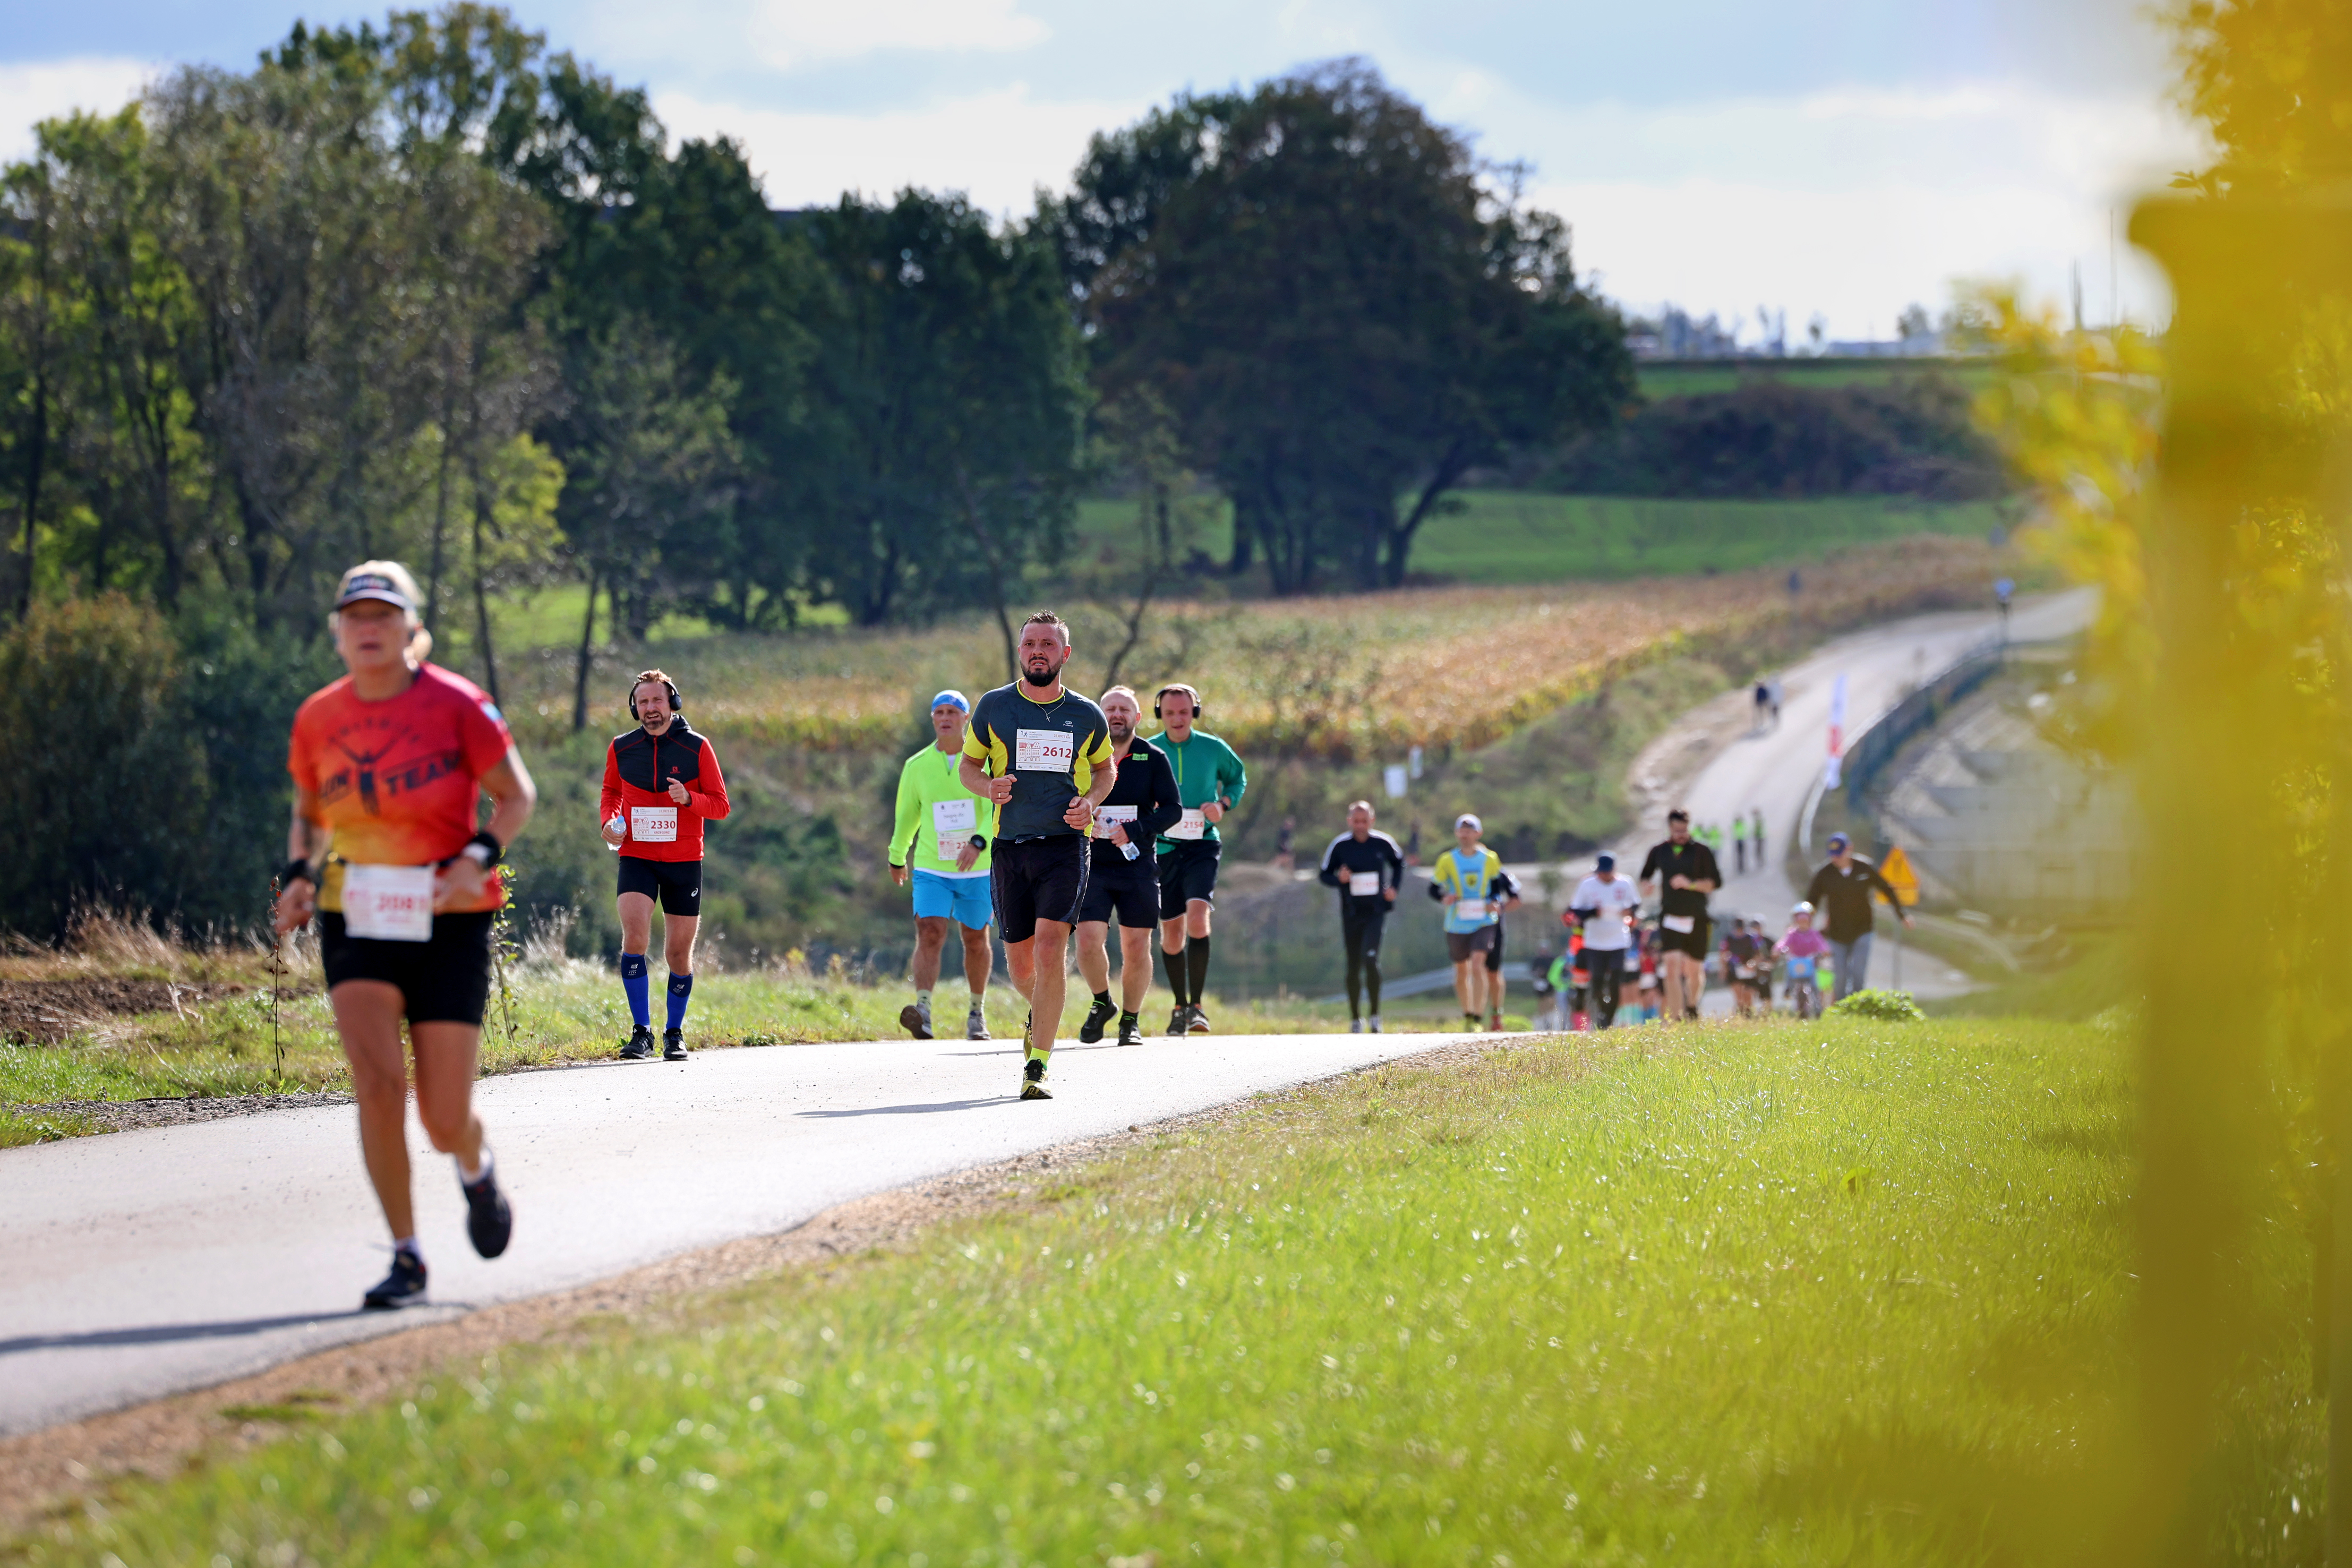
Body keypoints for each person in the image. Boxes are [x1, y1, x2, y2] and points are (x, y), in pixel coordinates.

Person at [276, 562, 536, 1310]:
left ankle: (476, 1168)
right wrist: (299, 873)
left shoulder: (459, 703)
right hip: (355, 910)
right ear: (337, 631)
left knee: (442, 1113)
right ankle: (406, 1254)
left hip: (448, 916)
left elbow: (517, 796)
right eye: (353, 616)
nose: (367, 629)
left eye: (382, 616)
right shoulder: (318, 716)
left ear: (410, 627)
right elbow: (309, 810)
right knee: (377, 1081)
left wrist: (476, 858)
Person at [960, 612, 1117, 1100]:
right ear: (1021, 652)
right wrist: (989, 786)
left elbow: (1105, 769)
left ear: (1064, 654)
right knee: (1021, 967)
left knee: (1052, 950)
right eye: (1030, 643)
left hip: (1066, 846)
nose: (1037, 651)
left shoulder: (1086, 714)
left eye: (1048, 644)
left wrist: (1089, 803)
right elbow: (968, 766)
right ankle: (1041, 1012)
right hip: (1009, 847)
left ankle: (1037, 1065)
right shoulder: (994, 706)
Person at [600, 670, 730, 1061]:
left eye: (657, 701)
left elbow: (721, 805)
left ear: (671, 702)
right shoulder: (622, 747)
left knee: (677, 953)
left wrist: (690, 799)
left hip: (684, 861)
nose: (650, 709)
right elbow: (611, 791)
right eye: (643, 702)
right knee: (634, 938)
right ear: (634, 707)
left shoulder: (697, 747)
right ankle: (641, 1032)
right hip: (637, 855)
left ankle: (674, 1033)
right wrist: (609, 822)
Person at [1074, 686, 1183, 1049]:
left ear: (1137, 718)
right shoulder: (1082, 756)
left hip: (1136, 865)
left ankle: (1130, 1021)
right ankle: (1102, 1000)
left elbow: (1173, 810)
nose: (1116, 714)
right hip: (1092, 864)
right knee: (1087, 941)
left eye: (1124, 709)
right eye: (1110, 709)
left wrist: (1134, 830)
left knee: (1136, 945)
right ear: (1099, 717)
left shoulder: (1152, 758)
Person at [887, 690, 996, 1043]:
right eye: (939, 712)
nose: (945, 717)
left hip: (977, 867)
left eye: (953, 711)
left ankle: (977, 1013)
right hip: (932, 866)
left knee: (975, 938)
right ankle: (923, 1010)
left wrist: (979, 841)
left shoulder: (987, 761)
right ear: (932, 718)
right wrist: (896, 854)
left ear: (966, 718)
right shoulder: (916, 765)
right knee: (929, 932)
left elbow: (996, 808)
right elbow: (907, 814)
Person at [1151, 682, 1247, 1035]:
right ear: (1160, 713)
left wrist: (1222, 804)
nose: (1177, 718)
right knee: (1172, 934)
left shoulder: (1212, 748)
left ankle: (1198, 1006)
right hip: (1162, 848)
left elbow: (1237, 780)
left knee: (1197, 917)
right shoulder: (1149, 750)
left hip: (1202, 844)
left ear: (1195, 712)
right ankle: (1180, 1006)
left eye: (1184, 711)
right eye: (1170, 712)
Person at [1318, 800, 1405, 1032]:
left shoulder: (1383, 843)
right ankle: (1356, 1019)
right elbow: (1324, 874)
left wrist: (1393, 888)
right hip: (1352, 913)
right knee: (1353, 965)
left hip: (1376, 912)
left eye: (1364, 821)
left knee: (1371, 959)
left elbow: (1399, 864)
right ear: (1349, 822)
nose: (1360, 825)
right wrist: (1340, 879)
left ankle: (1376, 1017)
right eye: (1356, 821)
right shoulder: (1340, 846)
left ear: (1372, 821)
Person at [1804, 830, 1913, 1004]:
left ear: (1849, 849)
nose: (1836, 859)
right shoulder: (1825, 874)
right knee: (1840, 978)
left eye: (1839, 854)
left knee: (1857, 976)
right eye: (1833, 855)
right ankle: (1842, 1012)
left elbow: (1887, 889)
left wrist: (1902, 915)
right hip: (1837, 933)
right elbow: (1811, 901)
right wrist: (1805, 923)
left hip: (1863, 930)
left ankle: (1857, 1011)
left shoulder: (1865, 868)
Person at [1639, 808, 1721, 1022]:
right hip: (1670, 917)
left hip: (1697, 917)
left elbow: (1714, 883)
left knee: (1694, 971)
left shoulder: (1702, 852)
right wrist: (1647, 884)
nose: (1681, 834)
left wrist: (1690, 884)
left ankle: (1692, 1005)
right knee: (1672, 965)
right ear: (1670, 828)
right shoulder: (1659, 851)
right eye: (1677, 831)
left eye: (1684, 830)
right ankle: (1677, 1017)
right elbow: (1646, 874)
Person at [1430, 813, 1505, 1031]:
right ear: (1457, 833)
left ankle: (1478, 1017)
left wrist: (1494, 902)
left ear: (1478, 834)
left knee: (1477, 963)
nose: (1466, 835)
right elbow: (1434, 888)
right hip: (1457, 921)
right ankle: (1467, 1014)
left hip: (1484, 919)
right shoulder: (1447, 860)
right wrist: (1444, 897)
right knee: (1461, 971)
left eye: (1470, 831)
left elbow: (1496, 887)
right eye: (1462, 831)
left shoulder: (1490, 858)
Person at [1567, 851, 1639, 1031]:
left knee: (1616, 977)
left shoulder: (1625, 883)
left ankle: (1609, 1018)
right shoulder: (1587, 885)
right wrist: (1594, 912)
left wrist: (1628, 912)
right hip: (1594, 941)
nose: (1605, 876)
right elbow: (1576, 910)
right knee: (1597, 980)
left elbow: (1636, 905)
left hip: (1618, 940)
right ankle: (1601, 1012)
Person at [1484, 863, 1525, 1030]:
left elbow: (1516, 898)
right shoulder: (1461, 868)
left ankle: (1496, 1014)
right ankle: (1473, 1015)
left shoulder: (1498, 872)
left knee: (1493, 973)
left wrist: (1500, 908)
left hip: (1493, 927)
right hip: (1464, 927)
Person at [1776, 902, 1831, 1018]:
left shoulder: (1814, 934)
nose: (1803, 924)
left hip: (1810, 963)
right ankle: (1788, 990)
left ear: (1810, 921)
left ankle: (1817, 1008)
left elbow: (1821, 945)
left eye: (1805, 922)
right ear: (1796, 921)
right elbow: (1783, 943)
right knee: (1790, 974)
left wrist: (1825, 951)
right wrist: (1779, 950)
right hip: (1795, 962)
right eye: (1800, 922)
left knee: (1814, 986)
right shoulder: (1792, 933)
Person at [1722, 918, 1768, 1016]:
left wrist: (1752, 964)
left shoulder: (1752, 938)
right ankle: (1740, 1016)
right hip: (1734, 969)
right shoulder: (1728, 939)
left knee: (1748, 996)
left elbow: (1759, 955)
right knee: (1739, 998)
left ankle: (1748, 1016)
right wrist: (1724, 969)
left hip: (1749, 970)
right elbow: (1723, 954)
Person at [1732, 812, 1749, 876]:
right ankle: (1741, 868)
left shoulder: (1740, 824)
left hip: (1741, 840)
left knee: (1741, 855)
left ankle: (1741, 867)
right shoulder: (1738, 825)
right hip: (1739, 840)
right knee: (1740, 855)